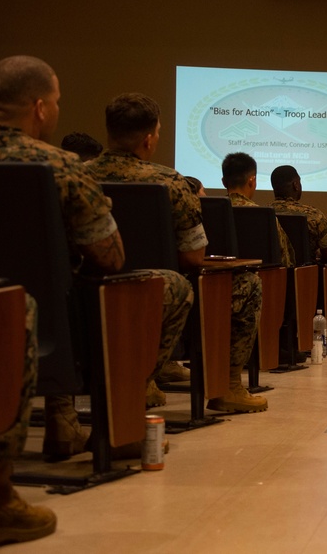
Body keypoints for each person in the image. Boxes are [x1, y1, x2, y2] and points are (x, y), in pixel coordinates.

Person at [0, 56, 123, 548]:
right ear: (39, 107)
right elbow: (109, 255)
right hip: (31, 317)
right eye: (55, 102)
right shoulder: (59, 166)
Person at [88, 93, 267, 413]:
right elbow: (193, 256)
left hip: (86, 293)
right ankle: (226, 387)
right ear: (147, 140)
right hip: (156, 295)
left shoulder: (77, 174)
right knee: (248, 285)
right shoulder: (168, 182)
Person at [270, 164, 327, 293]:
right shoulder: (313, 215)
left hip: (271, 276)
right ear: (296, 185)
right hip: (305, 277)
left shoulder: (264, 213)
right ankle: (322, 311)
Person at [221, 152, 296, 268]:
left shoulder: (210, 212)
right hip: (262, 282)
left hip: (214, 282)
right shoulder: (264, 215)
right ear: (252, 181)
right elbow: (285, 260)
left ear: (224, 182)